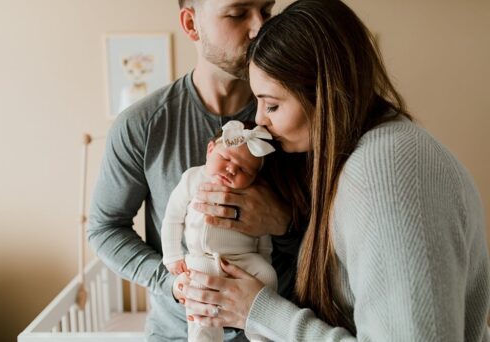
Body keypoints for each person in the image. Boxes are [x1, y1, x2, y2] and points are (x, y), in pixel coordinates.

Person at [181, 1, 490, 340]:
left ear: (322, 91)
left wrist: (260, 310)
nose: (259, 122)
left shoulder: (383, 172)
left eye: (272, 105)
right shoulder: (371, 152)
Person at [86, 0, 299, 340]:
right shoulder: (141, 126)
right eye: (237, 13)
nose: (260, 28)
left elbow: (336, 235)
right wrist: (172, 282)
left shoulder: (293, 119)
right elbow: (104, 229)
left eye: (266, 10)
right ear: (190, 24)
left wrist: (283, 222)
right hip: (178, 333)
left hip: (277, 330)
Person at [161, 121, 278, 342]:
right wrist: (172, 256)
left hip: (244, 260)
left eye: (244, 170)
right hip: (201, 260)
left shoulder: (254, 194)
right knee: (199, 307)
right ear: (210, 150)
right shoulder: (192, 178)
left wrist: (264, 258)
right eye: (226, 159)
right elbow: (172, 219)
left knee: (268, 277)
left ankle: (260, 335)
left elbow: (265, 231)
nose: (232, 169)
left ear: (254, 177)